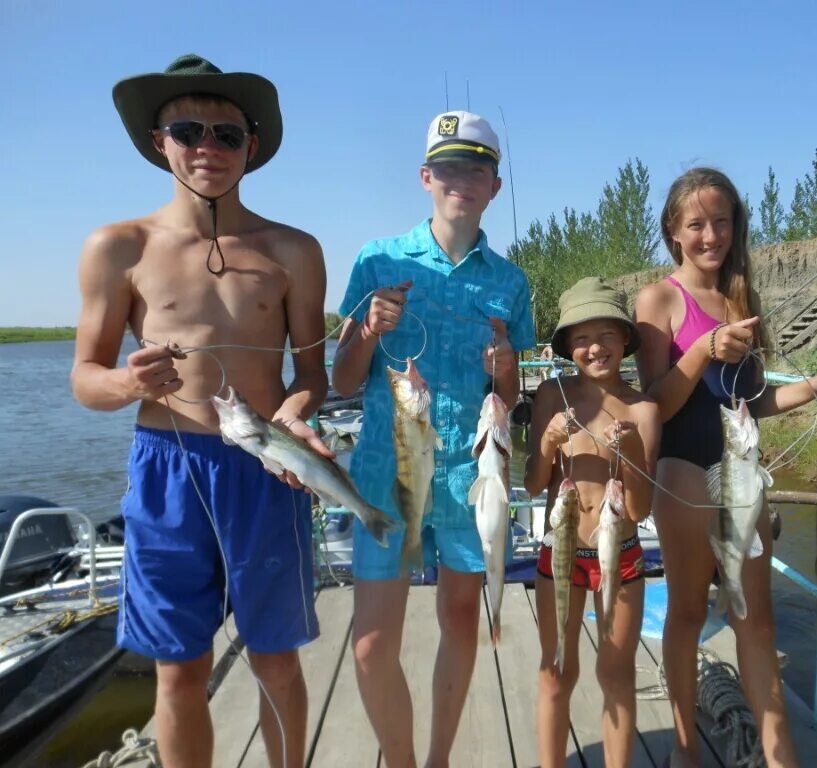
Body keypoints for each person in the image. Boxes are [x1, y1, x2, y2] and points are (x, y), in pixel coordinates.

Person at [71, 54, 328, 768]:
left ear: (253, 144)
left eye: (227, 134)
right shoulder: (118, 247)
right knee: (179, 668)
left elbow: (311, 375)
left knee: (277, 659)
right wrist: (127, 384)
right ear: (161, 142)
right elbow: (86, 379)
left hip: (268, 467)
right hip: (166, 472)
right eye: (189, 131)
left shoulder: (294, 251)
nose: (208, 148)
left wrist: (299, 418)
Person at [332, 110, 535, 768]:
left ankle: (440, 758)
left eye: (477, 168)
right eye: (449, 167)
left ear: (495, 186)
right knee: (370, 646)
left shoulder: (510, 283)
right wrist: (366, 330)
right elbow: (341, 379)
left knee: (461, 621)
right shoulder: (379, 260)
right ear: (425, 177)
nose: (462, 180)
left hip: (470, 481)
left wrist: (504, 364)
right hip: (385, 474)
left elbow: (511, 391)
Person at [633, 167, 817, 768]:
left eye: (722, 221)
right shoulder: (659, 299)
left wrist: (816, 386)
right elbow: (655, 403)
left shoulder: (741, 298)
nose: (711, 235)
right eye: (696, 224)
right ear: (674, 232)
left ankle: (782, 757)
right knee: (684, 613)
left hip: (742, 475)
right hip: (682, 471)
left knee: (755, 623)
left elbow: (752, 404)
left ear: (737, 225)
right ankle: (685, 750)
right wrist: (703, 348)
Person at [524, 278, 661, 768]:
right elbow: (535, 483)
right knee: (555, 670)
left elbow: (641, 510)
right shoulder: (548, 396)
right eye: (581, 337)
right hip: (560, 553)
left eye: (606, 334)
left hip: (619, 558)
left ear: (626, 339)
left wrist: (635, 453)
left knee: (616, 674)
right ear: (566, 346)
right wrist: (547, 442)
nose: (595, 347)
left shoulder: (644, 409)